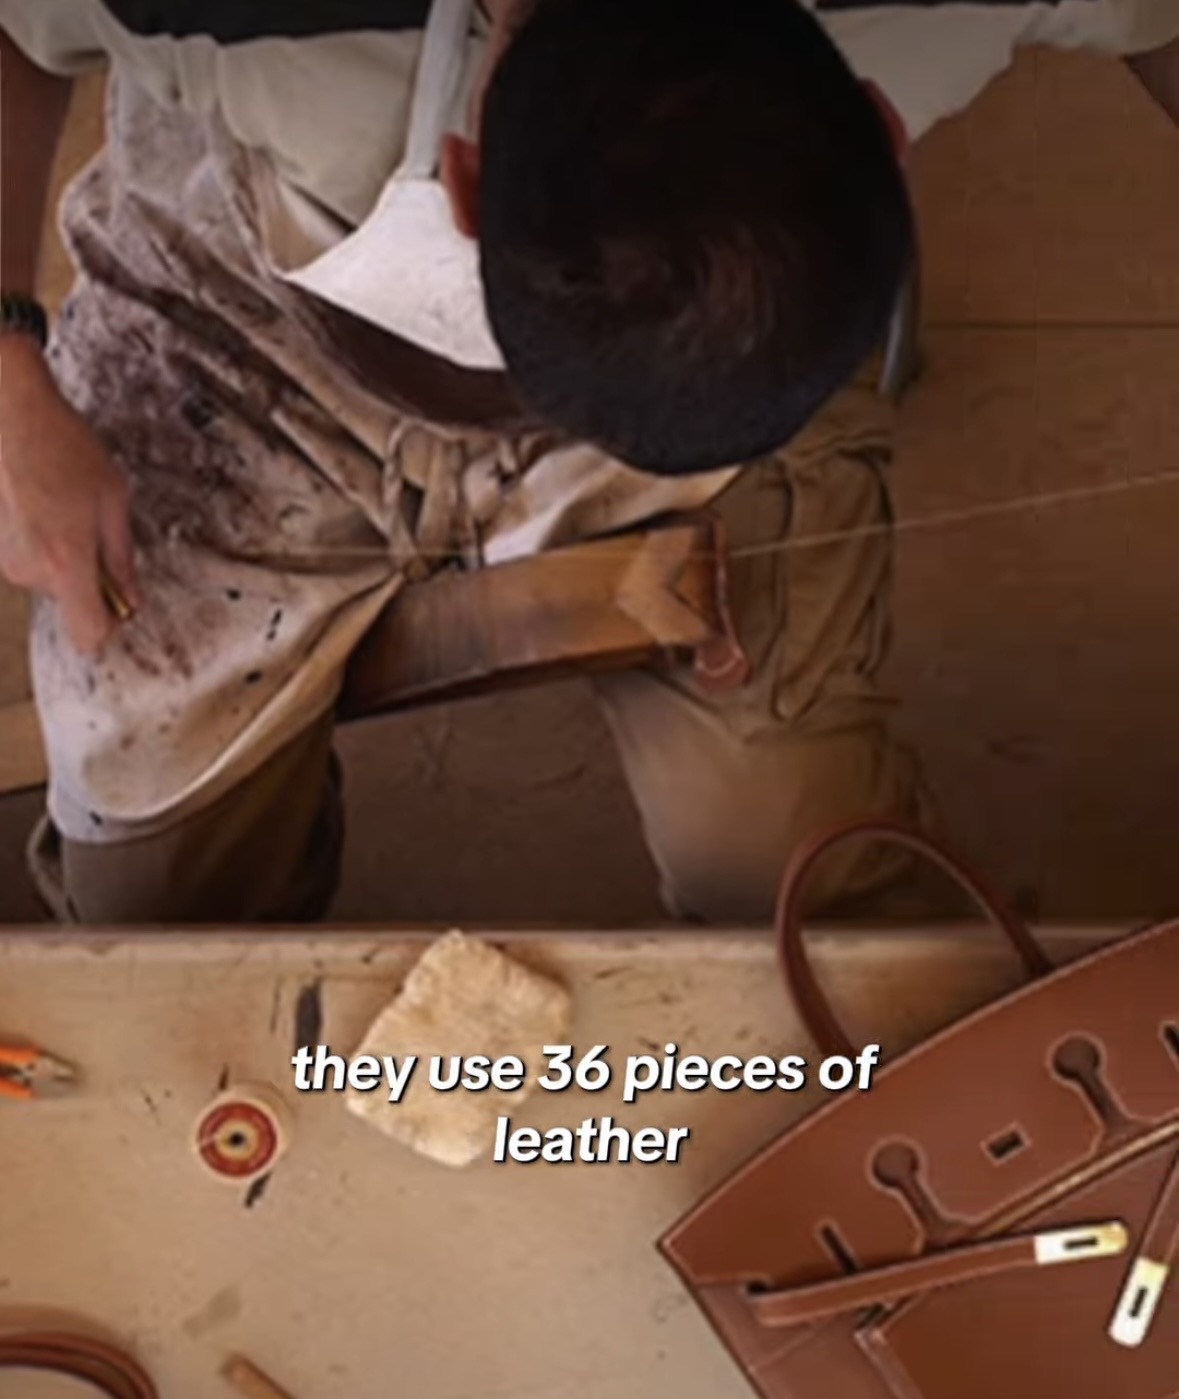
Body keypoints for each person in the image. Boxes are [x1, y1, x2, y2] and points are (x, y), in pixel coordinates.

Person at [0, 0, 1175, 925]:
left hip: (719, 331)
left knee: (807, 904)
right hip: (248, 347)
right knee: (161, 917)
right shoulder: (246, 16)